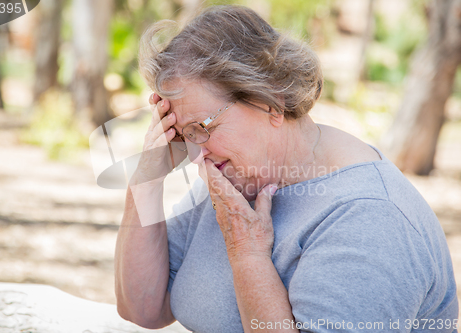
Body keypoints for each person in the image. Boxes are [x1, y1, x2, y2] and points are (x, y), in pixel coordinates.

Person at [114, 5, 459, 333]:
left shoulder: (370, 217)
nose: (195, 154)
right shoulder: (235, 177)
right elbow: (143, 307)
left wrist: (247, 256)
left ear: (270, 102)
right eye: (185, 135)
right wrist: (145, 182)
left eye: (203, 127)